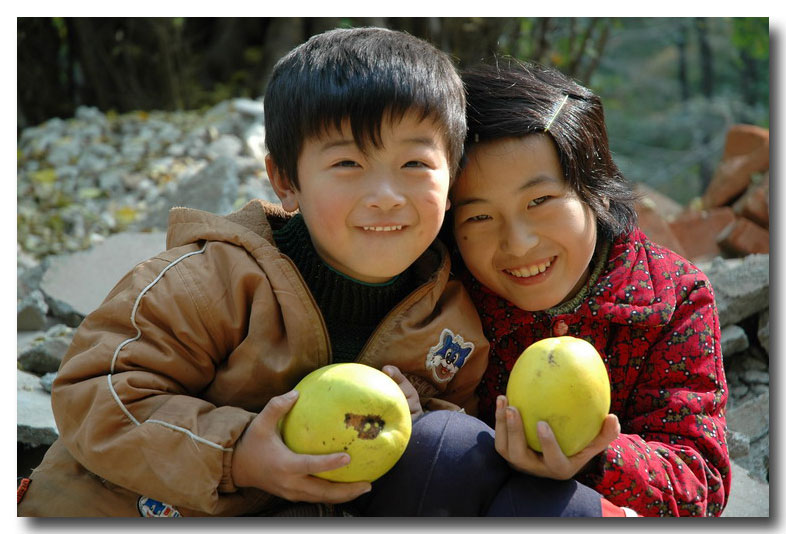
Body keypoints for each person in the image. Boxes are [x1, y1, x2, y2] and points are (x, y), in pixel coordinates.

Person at [17, 27, 492, 517]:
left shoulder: (449, 323)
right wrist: (238, 455)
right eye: (349, 163)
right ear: (286, 181)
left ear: (452, 177)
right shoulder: (211, 281)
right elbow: (96, 391)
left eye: (415, 163)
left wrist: (419, 421)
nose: (386, 195)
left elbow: (457, 433)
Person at [444, 59, 731, 517]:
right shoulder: (444, 288)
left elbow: (702, 483)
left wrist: (599, 457)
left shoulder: (674, 297)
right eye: (478, 216)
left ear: (595, 189)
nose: (518, 244)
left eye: (539, 201)